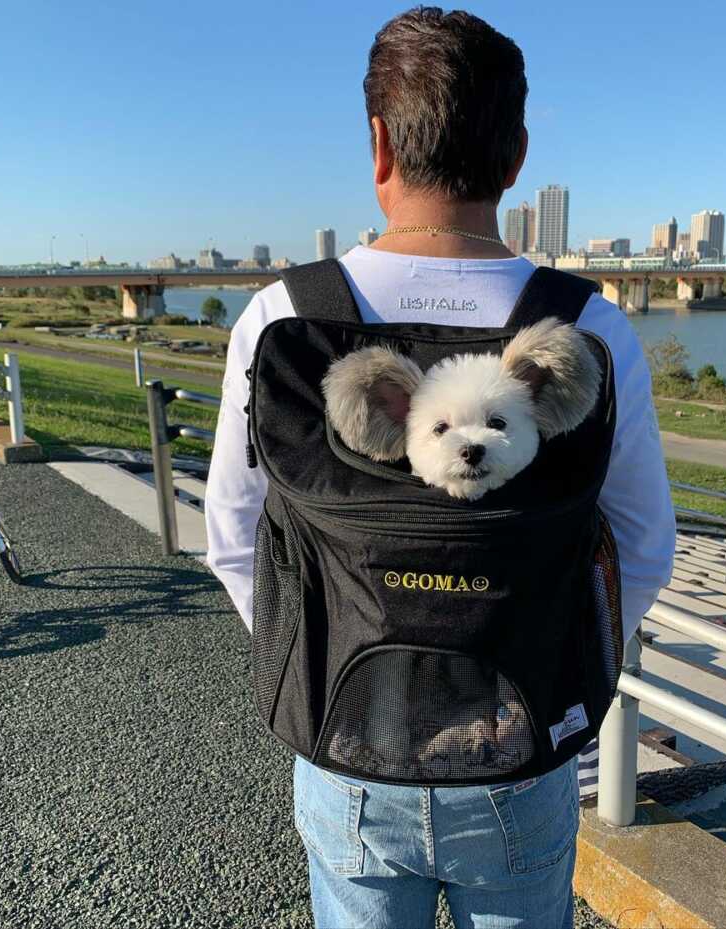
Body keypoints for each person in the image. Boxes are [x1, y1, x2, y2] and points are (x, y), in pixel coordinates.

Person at [205, 8, 676, 927]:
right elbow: (645, 549)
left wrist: (330, 658)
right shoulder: (592, 327)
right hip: (525, 749)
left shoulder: (279, 319)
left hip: (346, 750)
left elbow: (233, 541)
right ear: (516, 156)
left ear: (377, 143)